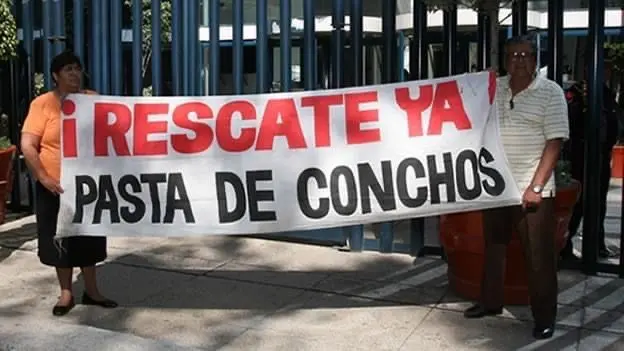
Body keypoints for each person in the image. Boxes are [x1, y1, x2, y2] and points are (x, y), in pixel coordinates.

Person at [463, 35, 569, 340]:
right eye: (513, 55)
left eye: (525, 55)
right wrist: (475, 84)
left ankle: (544, 317)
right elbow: (469, 110)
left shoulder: (551, 93)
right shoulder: (494, 89)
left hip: (530, 188)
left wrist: (536, 186)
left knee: (538, 257)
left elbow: (555, 141)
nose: (519, 60)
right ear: (505, 59)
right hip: (496, 185)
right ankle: (490, 302)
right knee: (493, 247)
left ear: (535, 59)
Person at [21, 51, 118, 316]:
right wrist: (43, 177)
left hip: (89, 186)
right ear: (56, 75)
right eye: (67, 70)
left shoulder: (93, 100)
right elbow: (28, 145)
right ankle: (66, 294)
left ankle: (92, 291)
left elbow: (116, 133)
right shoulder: (42, 104)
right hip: (55, 185)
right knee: (60, 240)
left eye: (77, 68)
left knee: (90, 239)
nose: (74, 74)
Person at [562, 53, 621, 260]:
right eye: (601, 68)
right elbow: (571, 123)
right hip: (581, 155)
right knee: (577, 203)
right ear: (588, 69)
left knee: (598, 203)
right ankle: (564, 246)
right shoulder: (577, 93)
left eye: (607, 69)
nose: (605, 72)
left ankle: (596, 245)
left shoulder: (606, 93)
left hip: (601, 156)